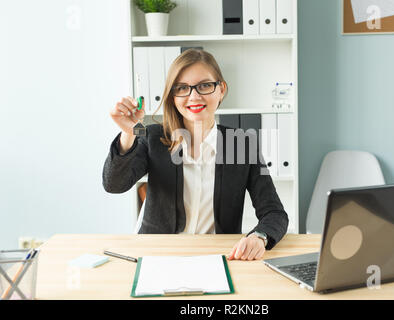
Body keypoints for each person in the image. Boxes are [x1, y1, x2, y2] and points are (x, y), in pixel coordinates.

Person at [103, 49, 288, 261]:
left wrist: (259, 237)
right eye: (182, 88)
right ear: (173, 96)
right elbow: (114, 184)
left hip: (218, 257)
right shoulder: (152, 136)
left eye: (205, 85)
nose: (194, 96)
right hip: (157, 254)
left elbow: (274, 213)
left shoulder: (242, 144)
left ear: (221, 89)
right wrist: (129, 132)